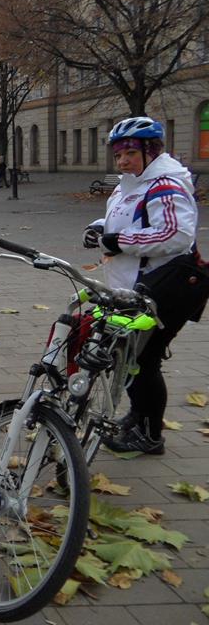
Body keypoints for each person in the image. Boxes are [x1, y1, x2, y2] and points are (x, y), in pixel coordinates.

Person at [82, 116, 205, 455]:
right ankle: (140, 417)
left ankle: (150, 436)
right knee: (130, 358)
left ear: (151, 151)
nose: (122, 161)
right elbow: (123, 219)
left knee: (143, 361)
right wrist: (98, 228)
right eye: (118, 154)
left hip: (162, 289)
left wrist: (119, 241)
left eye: (130, 153)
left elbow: (176, 235)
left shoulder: (165, 185)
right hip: (134, 287)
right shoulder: (131, 183)